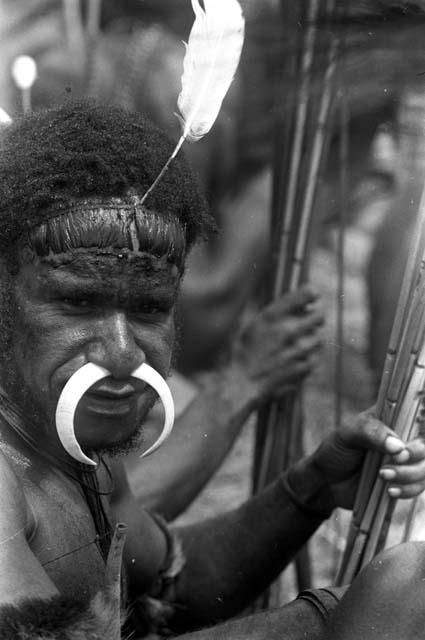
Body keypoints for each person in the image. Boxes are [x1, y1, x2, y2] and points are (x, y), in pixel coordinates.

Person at [1, 101, 425, 640]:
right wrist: (333, 621)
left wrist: (308, 490)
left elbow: (174, 589)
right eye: (77, 305)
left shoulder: (80, 452)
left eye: (150, 308)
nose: (122, 352)